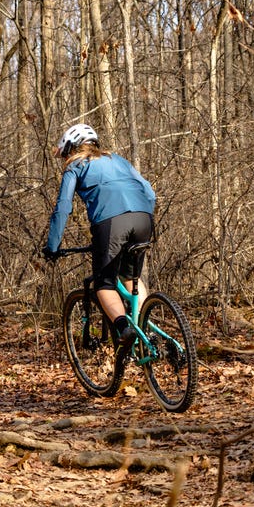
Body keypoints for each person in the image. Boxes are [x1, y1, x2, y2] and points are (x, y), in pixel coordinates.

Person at [43, 123, 156, 348]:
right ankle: (144, 331)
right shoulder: (117, 159)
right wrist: (142, 218)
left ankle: (124, 328)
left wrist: (52, 246)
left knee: (104, 284)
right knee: (131, 278)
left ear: (70, 149)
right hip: (144, 217)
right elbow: (150, 192)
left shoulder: (75, 165)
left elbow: (64, 206)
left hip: (111, 221)